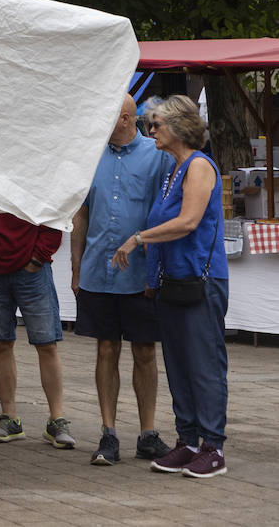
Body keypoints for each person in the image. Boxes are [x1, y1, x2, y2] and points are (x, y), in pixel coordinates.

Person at [112, 94, 229, 478]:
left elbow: (187, 222)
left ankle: (213, 446)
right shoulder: (173, 170)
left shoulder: (198, 166)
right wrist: (151, 280)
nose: (151, 130)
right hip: (172, 284)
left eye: (156, 124)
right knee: (179, 365)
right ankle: (189, 440)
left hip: (200, 280)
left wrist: (138, 238)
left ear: (179, 126)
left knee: (203, 365)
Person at [72, 94, 174, 465]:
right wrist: (76, 266)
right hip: (99, 269)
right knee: (105, 348)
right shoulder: (90, 156)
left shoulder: (157, 156)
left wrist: (158, 267)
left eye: (109, 115)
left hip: (142, 270)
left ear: (127, 118)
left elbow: (166, 212)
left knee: (145, 351)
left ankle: (148, 433)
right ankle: (108, 432)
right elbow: (80, 215)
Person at [0, 212, 75, 449]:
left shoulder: (37, 174)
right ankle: (9, 418)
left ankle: (56, 419)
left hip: (32, 270)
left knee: (47, 344)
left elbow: (54, 211)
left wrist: (38, 257)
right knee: (0, 344)